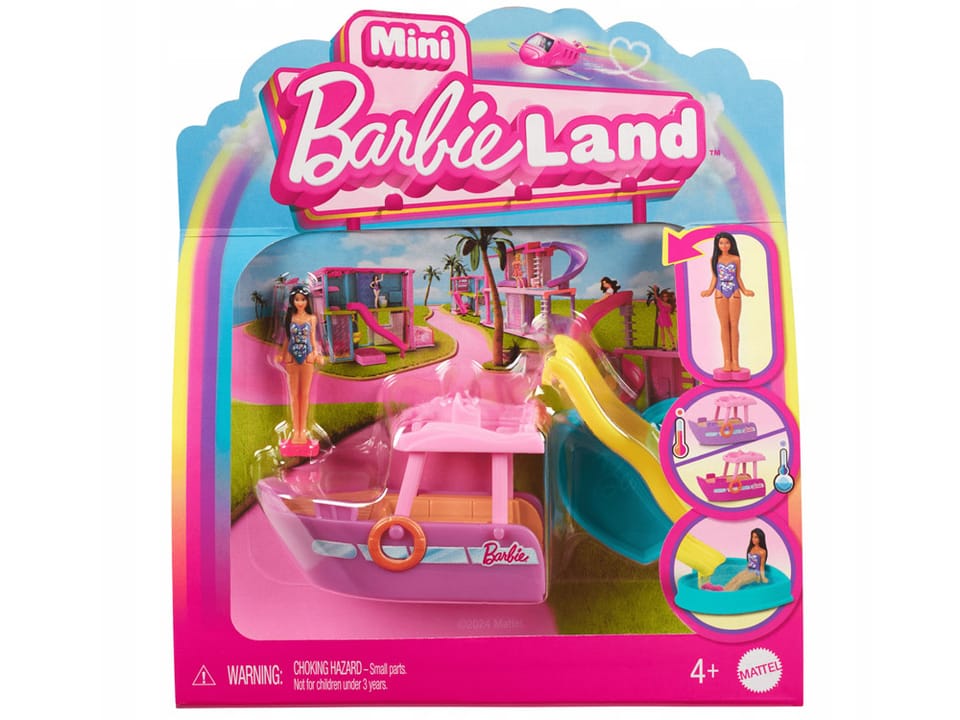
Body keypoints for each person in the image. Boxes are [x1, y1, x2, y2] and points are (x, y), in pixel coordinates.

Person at [700, 232, 754, 373]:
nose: (724, 245)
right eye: (721, 243)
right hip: (720, 292)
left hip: (734, 292)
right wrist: (709, 290)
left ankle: (735, 361)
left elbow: (738, 277)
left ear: (731, 244)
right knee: (724, 326)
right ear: (717, 245)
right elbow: (714, 278)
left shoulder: (736, 259)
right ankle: (726, 361)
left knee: (734, 326)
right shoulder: (714, 259)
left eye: (727, 242)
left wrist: (745, 290)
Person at [276, 285, 319, 445]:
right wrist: (281, 353)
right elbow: (287, 338)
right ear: (292, 301)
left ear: (308, 301)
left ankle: (303, 431)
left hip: (307, 358)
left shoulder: (312, 318)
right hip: (291, 359)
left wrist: (316, 353)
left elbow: (313, 338)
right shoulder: (290, 318)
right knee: (294, 395)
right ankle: (296, 431)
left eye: (303, 299)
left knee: (305, 395)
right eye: (297, 299)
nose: (300, 303)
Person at [704, 528, 768, 591]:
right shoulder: (751, 548)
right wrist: (745, 571)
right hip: (748, 570)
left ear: (760, 538)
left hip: (755, 574)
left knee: (740, 581)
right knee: (735, 579)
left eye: (756, 537)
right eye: (752, 537)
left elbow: (762, 566)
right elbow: (750, 562)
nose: (753, 539)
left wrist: (763, 578)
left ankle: (726, 593)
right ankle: (722, 589)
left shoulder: (762, 551)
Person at [650, 284, 676, 350]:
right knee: (662, 331)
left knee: (668, 331)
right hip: (661, 317)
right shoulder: (660, 302)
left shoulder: (668, 305)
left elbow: (663, 303)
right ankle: (663, 345)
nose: (665, 298)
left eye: (666, 296)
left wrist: (659, 299)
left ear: (668, 297)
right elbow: (656, 297)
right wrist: (655, 290)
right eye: (663, 296)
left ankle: (673, 345)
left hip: (666, 318)